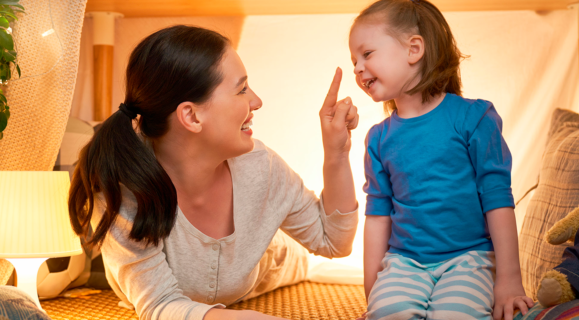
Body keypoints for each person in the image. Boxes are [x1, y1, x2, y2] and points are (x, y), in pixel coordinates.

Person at [68, 25, 360, 320]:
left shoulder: (262, 168)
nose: (256, 101)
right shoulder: (126, 188)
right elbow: (160, 305)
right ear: (192, 116)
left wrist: (336, 152)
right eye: (242, 89)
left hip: (275, 260)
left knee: (305, 263)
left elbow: (334, 241)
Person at [349, 1, 533, 319]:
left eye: (366, 54)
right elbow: (378, 216)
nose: (357, 68)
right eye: (353, 60)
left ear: (414, 49)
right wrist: (373, 293)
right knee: (389, 313)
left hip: (470, 258)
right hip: (404, 261)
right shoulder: (378, 138)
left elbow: (498, 200)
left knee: (454, 315)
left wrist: (509, 281)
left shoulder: (474, 117)